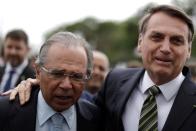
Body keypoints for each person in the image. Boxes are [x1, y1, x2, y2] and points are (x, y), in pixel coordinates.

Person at [6, 5, 196, 131]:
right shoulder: (115, 81)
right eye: (156, 37)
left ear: (188, 50)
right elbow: (79, 106)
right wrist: (37, 85)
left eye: (177, 41)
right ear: (140, 42)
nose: (165, 48)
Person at [0, 32, 102, 131]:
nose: (66, 85)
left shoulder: (98, 119)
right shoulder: (4, 111)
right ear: (38, 72)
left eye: (76, 76)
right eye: (57, 74)